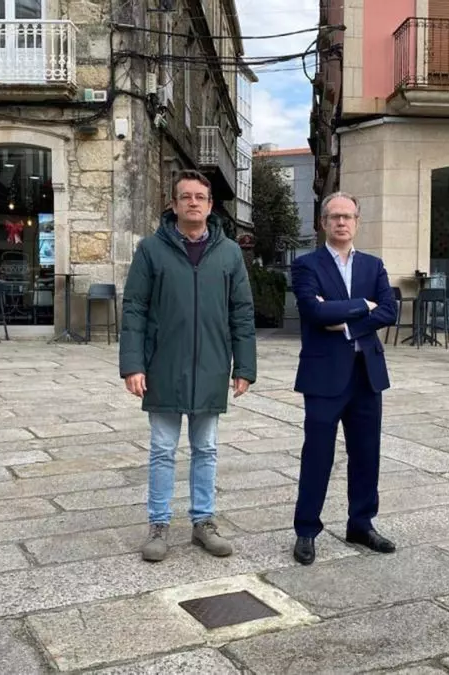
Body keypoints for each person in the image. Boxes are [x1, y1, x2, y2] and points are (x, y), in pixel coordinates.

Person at [119, 170, 256, 563]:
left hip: (212, 363)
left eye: (200, 197)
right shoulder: (151, 250)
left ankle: (203, 522)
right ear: (173, 204)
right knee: (163, 449)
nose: (193, 202)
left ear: (211, 206)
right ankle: (159, 525)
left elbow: (241, 312)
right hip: (163, 365)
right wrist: (132, 365)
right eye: (185, 196)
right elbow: (135, 308)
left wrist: (244, 366)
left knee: (206, 448)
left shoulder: (229, 253)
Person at [289, 191, 397, 566]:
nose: (341, 222)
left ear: (357, 222)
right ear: (323, 222)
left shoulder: (373, 265)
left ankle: (361, 524)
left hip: (367, 374)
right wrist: (361, 307)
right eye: (334, 216)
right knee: (317, 455)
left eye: (347, 216)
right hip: (323, 376)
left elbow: (389, 311)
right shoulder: (306, 265)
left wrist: (346, 323)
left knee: (366, 454)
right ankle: (306, 530)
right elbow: (312, 312)